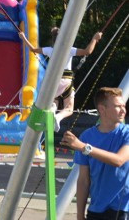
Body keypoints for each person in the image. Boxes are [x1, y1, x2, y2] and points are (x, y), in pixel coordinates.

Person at [61, 87, 128, 219]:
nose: (123, 110)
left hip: (123, 210)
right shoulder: (87, 136)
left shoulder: (126, 133)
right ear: (102, 109)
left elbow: (118, 160)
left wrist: (84, 148)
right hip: (96, 210)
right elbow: (83, 181)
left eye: (124, 106)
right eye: (118, 106)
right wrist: (80, 214)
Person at [18, 27, 102, 127]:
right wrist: (95, 39)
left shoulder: (49, 50)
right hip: (66, 81)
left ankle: (53, 111)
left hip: (53, 81)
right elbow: (87, 51)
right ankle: (57, 118)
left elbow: (32, 49)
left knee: (54, 102)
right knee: (69, 108)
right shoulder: (69, 50)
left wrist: (23, 37)